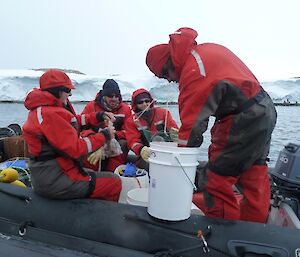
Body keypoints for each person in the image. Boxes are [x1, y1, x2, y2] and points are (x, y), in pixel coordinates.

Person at [145, 27, 277, 223]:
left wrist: (179, 153)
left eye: (165, 74)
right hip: (263, 110)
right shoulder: (204, 52)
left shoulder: (193, 72)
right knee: (253, 172)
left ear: (169, 61)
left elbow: (191, 131)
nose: (171, 79)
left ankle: (222, 236)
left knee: (216, 180)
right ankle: (254, 230)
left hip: (242, 118)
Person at [22, 69, 121, 201]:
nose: (70, 94)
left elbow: (71, 121)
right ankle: (103, 218)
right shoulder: (50, 114)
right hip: (56, 178)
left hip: (52, 172)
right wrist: (105, 136)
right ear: (59, 91)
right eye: (68, 90)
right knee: (113, 182)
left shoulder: (47, 109)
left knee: (94, 174)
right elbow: (75, 149)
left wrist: (98, 116)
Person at [82, 79, 150, 171]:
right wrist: (95, 138)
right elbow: (83, 128)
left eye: (116, 96)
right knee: (90, 146)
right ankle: (92, 174)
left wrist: (113, 136)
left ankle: (115, 172)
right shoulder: (91, 107)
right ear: (103, 96)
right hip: (95, 138)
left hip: (116, 139)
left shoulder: (125, 109)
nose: (114, 98)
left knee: (123, 143)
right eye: (110, 96)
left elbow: (128, 130)